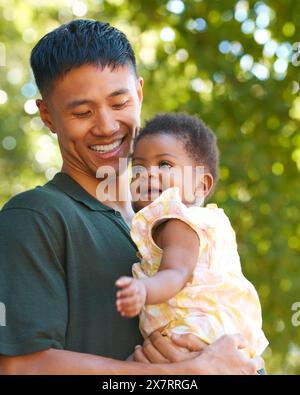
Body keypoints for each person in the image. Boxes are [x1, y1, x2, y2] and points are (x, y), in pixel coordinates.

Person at [0, 19, 261, 374]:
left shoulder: (173, 217)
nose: (106, 126)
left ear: (138, 93)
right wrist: (184, 374)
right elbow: (20, 368)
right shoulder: (36, 216)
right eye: (82, 112)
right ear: (47, 115)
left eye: (119, 102)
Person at [116, 113, 269, 361]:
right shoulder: (206, 222)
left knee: (130, 367)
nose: (148, 174)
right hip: (226, 343)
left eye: (165, 164)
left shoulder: (178, 222)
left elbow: (176, 273)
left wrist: (143, 289)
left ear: (201, 185)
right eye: (138, 167)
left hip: (196, 339)